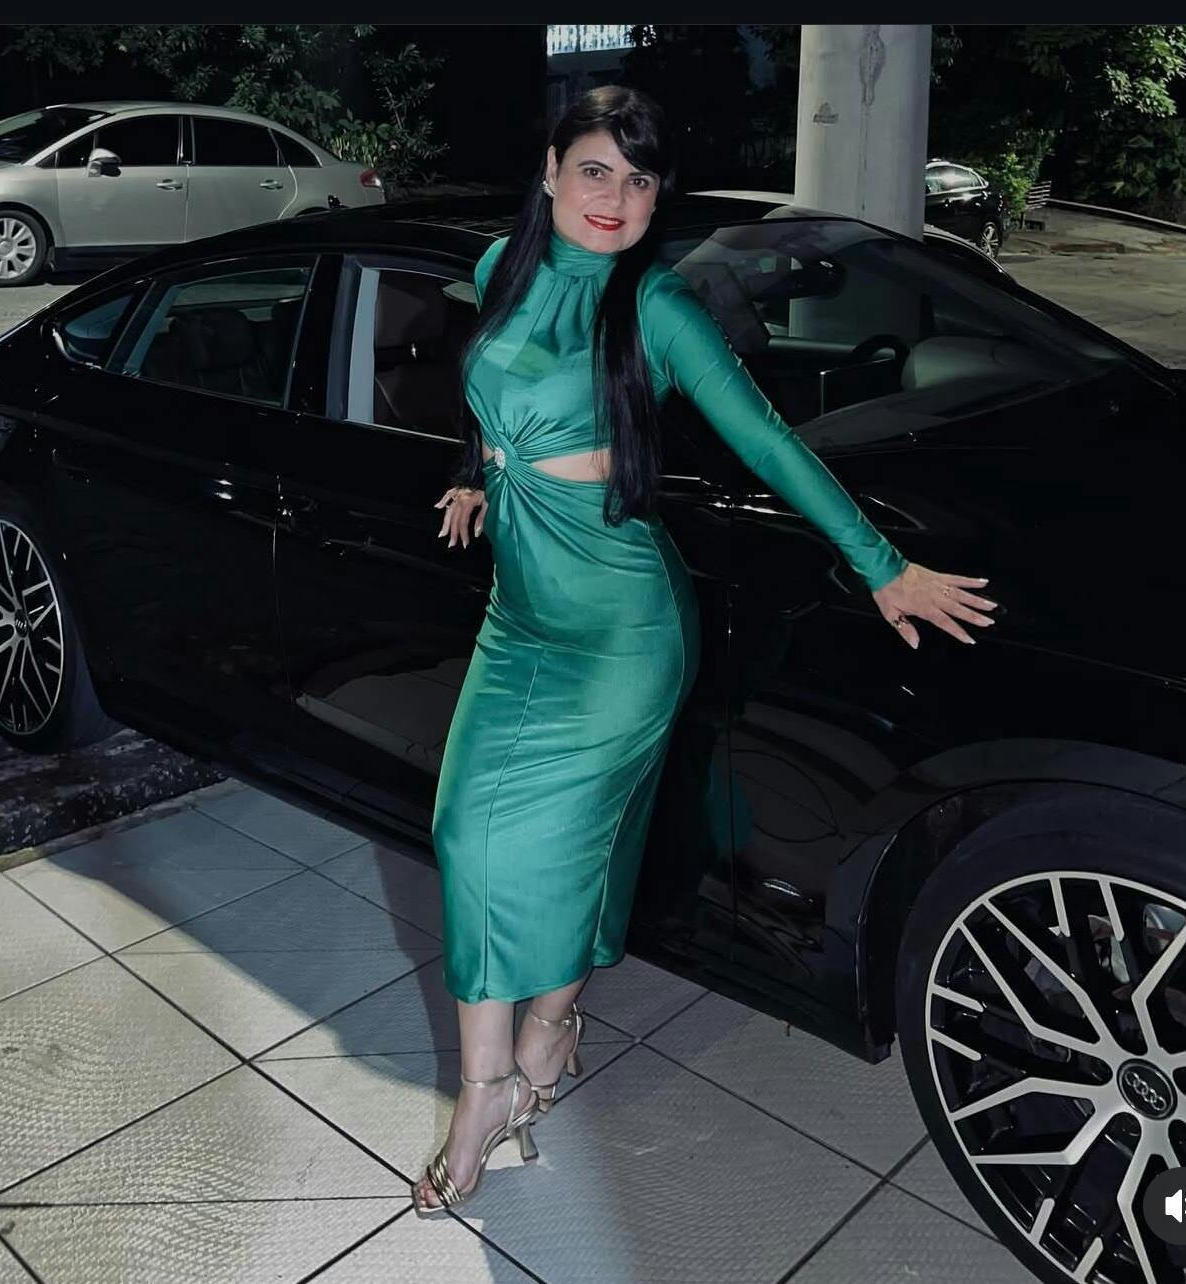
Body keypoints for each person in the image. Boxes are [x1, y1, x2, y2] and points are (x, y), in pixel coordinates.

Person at [413, 85, 997, 1215]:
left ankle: (516, 1062)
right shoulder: (499, 270)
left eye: (638, 180)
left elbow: (770, 444)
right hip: (520, 620)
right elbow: (492, 392)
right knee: (465, 830)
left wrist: (882, 566)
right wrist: (475, 474)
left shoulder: (658, 308)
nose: (615, 197)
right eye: (595, 170)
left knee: (546, 847)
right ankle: (524, 1051)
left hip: (622, 633)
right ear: (550, 172)